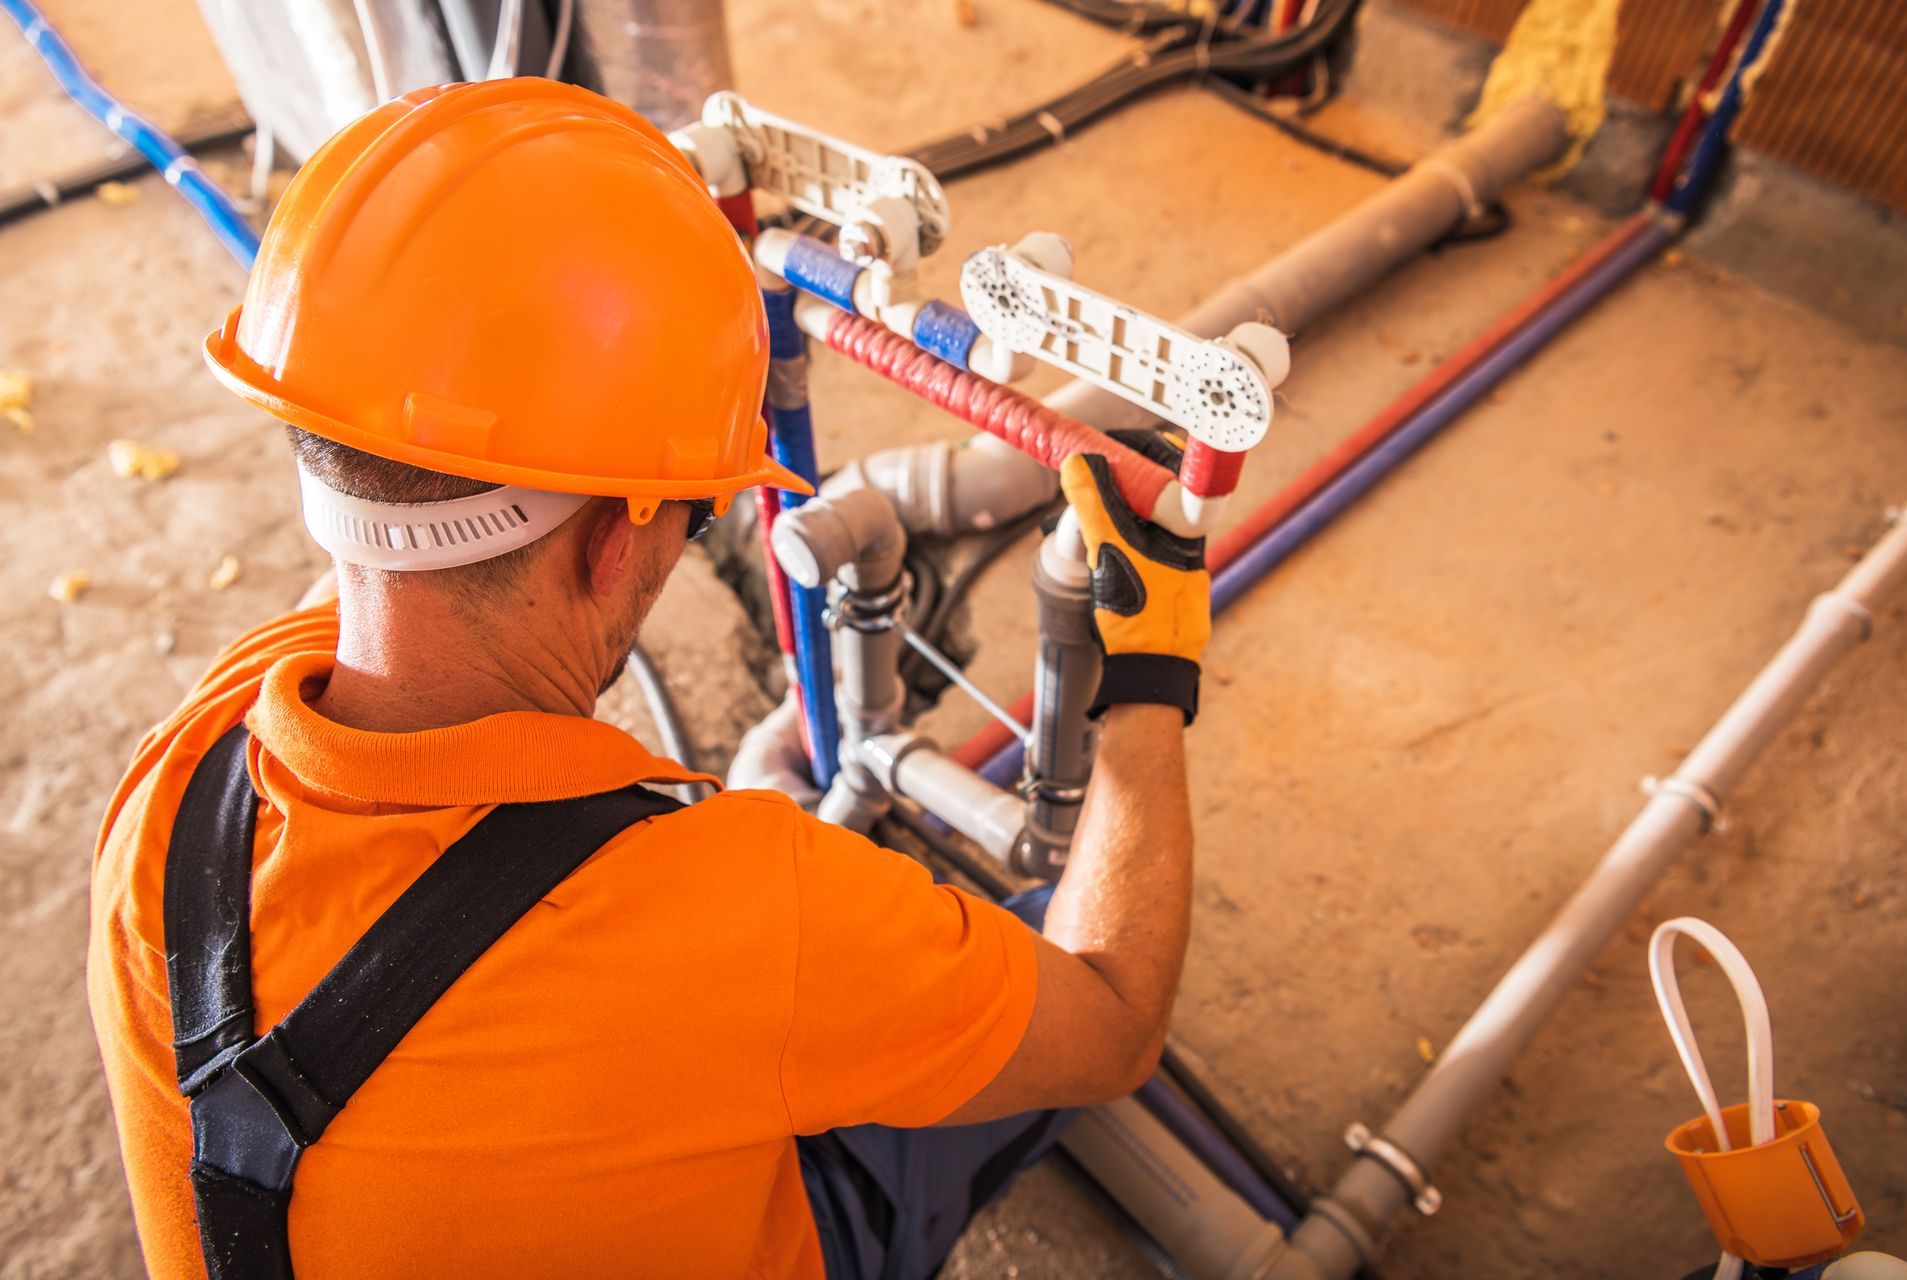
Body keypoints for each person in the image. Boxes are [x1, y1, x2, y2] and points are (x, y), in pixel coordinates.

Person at [88, 79, 1210, 1280]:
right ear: (614, 540)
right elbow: (1114, 1015)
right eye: (690, 520)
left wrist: (638, 266)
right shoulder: (735, 907)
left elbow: (409, 492)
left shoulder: (176, 781)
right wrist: (1151, 678)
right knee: (1032, 994)